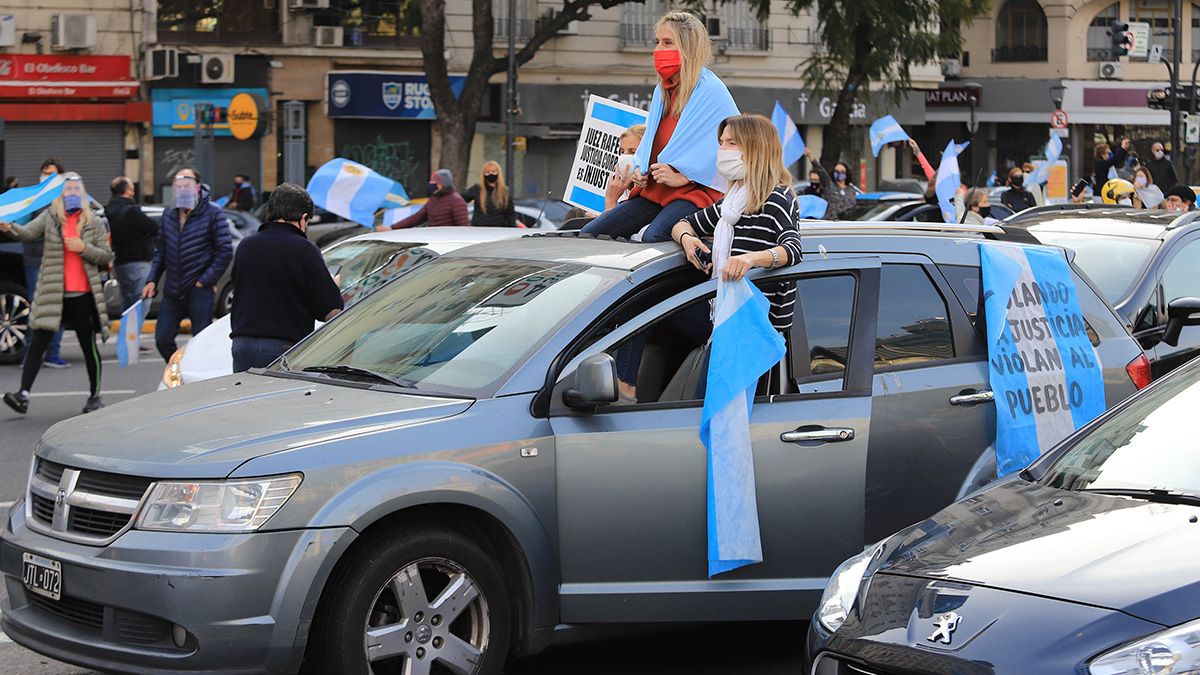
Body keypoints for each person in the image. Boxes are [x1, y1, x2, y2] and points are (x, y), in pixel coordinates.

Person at [614, 113, 802, 402]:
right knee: (644, 296)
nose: (722, 150)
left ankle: (626, 389)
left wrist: (750, 260)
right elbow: (683, 224)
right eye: (721, 142)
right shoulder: (731, 203)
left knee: (709, 409)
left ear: (755, 148)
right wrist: (688, 240)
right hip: (719, 313)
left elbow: (792, 249)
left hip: (747, 325)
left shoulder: (776, 198)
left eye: (731, 143)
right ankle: (625, 386)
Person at [581, 11, 738, 242]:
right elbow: (650, 143)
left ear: (688, 47)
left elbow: (734, 146)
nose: (658, 50)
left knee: (654, 237)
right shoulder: (662, 91)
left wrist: (686, 177)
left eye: (667, 42)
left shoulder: (712, 90)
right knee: (591, 234)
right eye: (657, 42)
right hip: (655, 190)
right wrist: (640, 169)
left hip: (695, 193)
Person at [1, 174, 112, 415]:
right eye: (67, 189)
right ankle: (23, 395)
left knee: (88, 347)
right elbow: (28, 233)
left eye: (75, 189)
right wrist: (11, 227)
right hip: (53, 293)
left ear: (82, 193)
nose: (71, 193)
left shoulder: (93, 221)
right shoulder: (51, 217)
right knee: (37, 344)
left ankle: (95, 395)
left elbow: (106, 255)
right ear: (61, 194)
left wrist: (83, 248)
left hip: (82, 296)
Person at [229, 183, 343, 372]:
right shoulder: (304, 249)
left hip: (242, 345)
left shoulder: (246, 246)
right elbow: (329, 310)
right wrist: (333, 286)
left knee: (246, 393)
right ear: (303, 218)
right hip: (284, 348)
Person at [143, 168, 233, 361]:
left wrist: (205, 280)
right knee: (162, 338)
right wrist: (151, 280)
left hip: (199, 289)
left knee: (202, 341)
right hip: (173, 288)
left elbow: (225, 250)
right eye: (178, 186)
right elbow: (161, 251)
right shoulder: (169, 214)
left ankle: (197, 373)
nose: (182, 189)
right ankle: (179, 368)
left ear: (197, 187)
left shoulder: (213, 212)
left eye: (186, 185)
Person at [22, 159, 69, 369]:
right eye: (44, 172)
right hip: (35, 259)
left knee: (57, 306)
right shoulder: (33, 199)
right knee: (37, 307)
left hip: (59, 260)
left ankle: (53, 353)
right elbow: (25, 228)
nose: (46, 176)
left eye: (51, 173)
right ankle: (30, 354)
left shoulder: (66, 199)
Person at [106, 176, 158, 312]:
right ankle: (135, 327)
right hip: (138, 261)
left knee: (128, 304)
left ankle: (128, 326)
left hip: (120, 262)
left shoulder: (109, 211)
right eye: (132, 189)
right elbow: (153, 227)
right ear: (128, 191)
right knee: (142, 301)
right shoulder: (131, 211)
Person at [382, 170, 469, 229]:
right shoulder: (434, 199)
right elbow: (417, 218)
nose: (430, 183)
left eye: (433, 181)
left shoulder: (456, 201)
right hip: (434, 242)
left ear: (441, 184)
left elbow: (463, 228)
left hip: (449, 244)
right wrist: (392, 227)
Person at [604, 124, 647, 210]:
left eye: (633, 152)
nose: (624, 157)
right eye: (622, 151)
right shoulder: (623, 192)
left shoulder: (650, 197)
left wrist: (611, 201)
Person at [806, 148, 856, 219]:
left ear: (846, 174)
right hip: (830, 221)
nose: (839, 173)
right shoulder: (829, 185)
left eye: (842, 171)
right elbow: (820, 170)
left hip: (847, 222)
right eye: (836, 171)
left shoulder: (851, 189)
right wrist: (810, 156)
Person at [464, 161, 517, 227]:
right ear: (483, 174)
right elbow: (461, 200)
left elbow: (510, 214)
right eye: (487, 172)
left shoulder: (505, 192)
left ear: (498, 173)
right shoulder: (477, 189)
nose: (490, 174)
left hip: (499, 230)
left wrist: (512, 228)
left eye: (493, 171)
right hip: (479, 229)